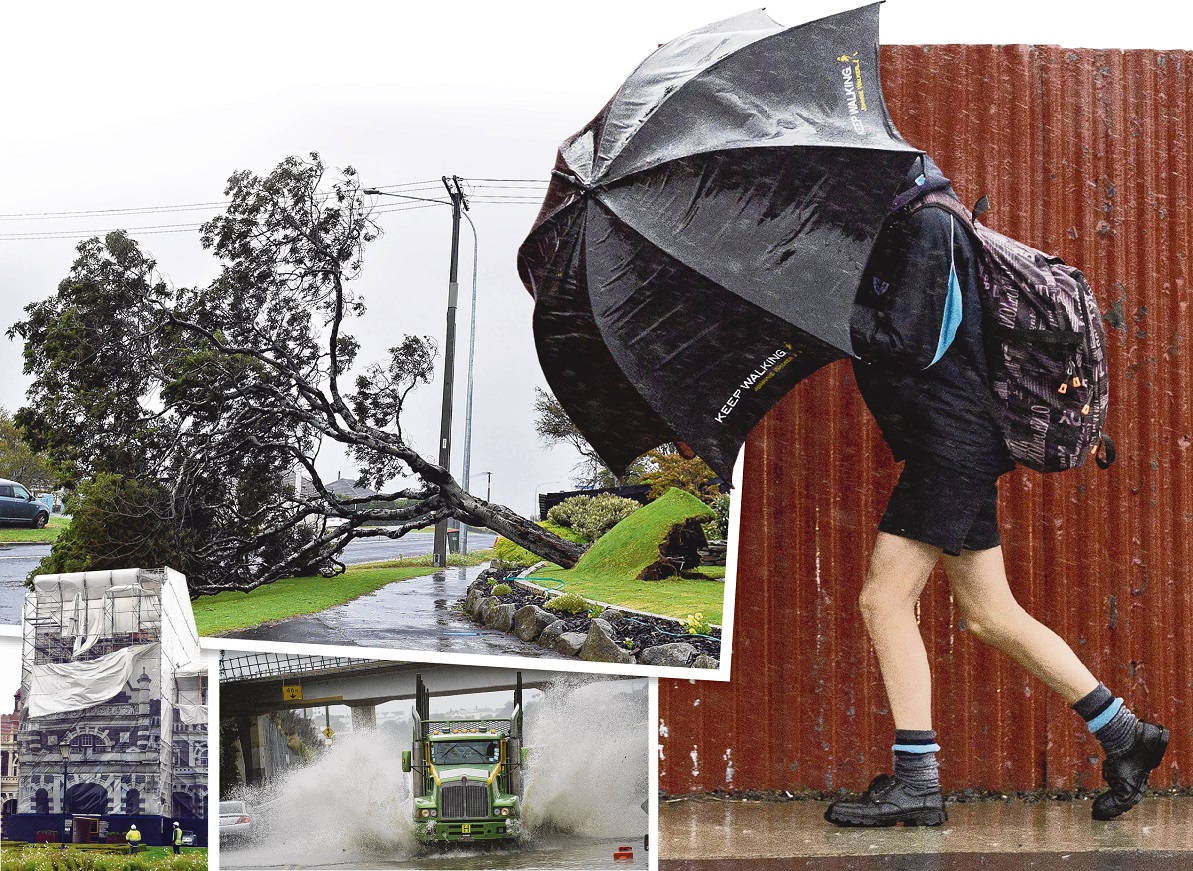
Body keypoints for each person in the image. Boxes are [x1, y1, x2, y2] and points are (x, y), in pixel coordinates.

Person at [824, 155, 1169, 827]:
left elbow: (909, 339)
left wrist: (826, 307)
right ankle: (1127, 734)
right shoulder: (914, 222)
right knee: (989, 613)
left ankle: (917, 780)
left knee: (881, 598)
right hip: (955, 441)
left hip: (949, 444)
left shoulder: (928, 225)